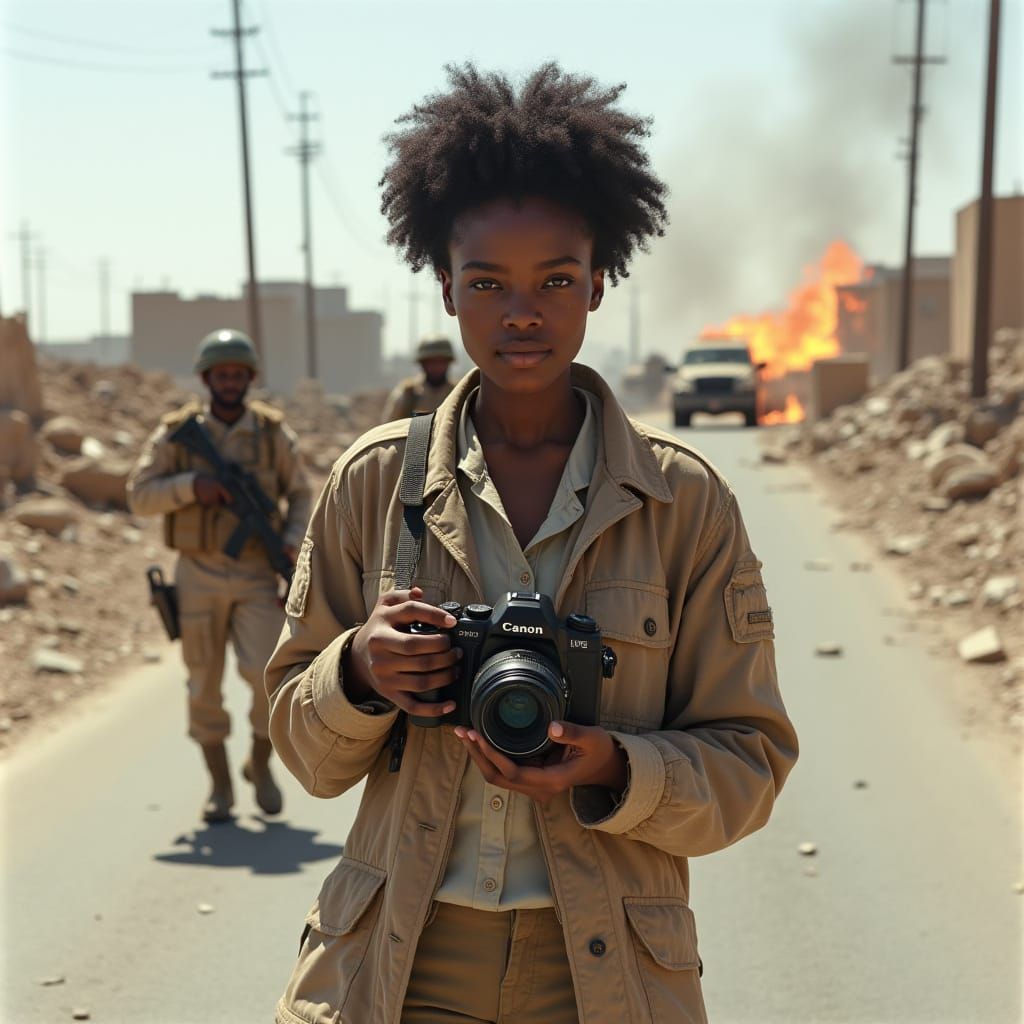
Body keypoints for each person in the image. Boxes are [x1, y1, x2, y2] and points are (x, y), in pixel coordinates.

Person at [266, 64, 798, 1024]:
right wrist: (359, 670)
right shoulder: (374, 482)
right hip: (400, 958)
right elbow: (304, 752)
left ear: (598, 284)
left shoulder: (682, 502)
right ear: (445, 290)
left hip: (601, 974)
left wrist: (611, 766)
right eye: (488, 282)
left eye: (556, 279)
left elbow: (749, 764)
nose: (523, 312)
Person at [128, 329, 312, 823]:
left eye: (238, 374)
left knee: (266, 675)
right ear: (207, 378)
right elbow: (140, 495)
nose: (230, 382)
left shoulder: (273, 435)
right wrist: (193, 485)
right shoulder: (178, 434)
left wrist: (293, 538)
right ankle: (221, 785)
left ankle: (258, 762)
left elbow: (300, 494)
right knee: (202, 681)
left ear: (249, 378)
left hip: (255, 573)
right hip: (198, 572)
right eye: (221, 374)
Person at [382, 334, 457, 421]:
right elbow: (389, 427)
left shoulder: (458, 393)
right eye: (431, 362)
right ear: (422, 363)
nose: (436, 367)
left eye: (441, 361)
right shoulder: (408, 393)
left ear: (448, 362)